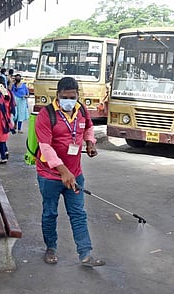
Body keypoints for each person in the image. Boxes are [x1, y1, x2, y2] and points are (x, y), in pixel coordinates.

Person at [35, 76, 104, 267]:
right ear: (57, 95)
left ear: (77, 95)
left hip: (75, 173)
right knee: (50, 213)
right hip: (50, 175)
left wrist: (90, 142)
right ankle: (50, 248)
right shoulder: (46, 115)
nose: (68, 100)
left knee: (78, 213)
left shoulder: (81, 110)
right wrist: (63, 172)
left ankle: (86, 254)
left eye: (72, 97)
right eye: (64, 97)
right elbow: (46, 148)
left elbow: (89, 128)